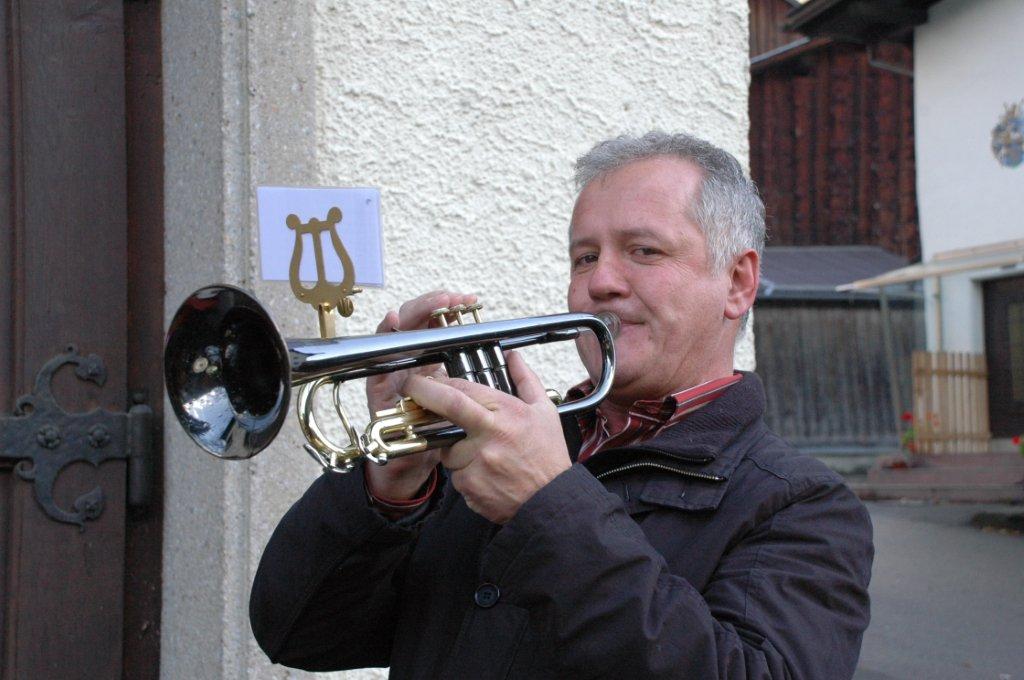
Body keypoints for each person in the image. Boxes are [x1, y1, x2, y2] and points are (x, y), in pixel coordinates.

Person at [249, 132, 873, 679]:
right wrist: (389, 488)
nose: (600, 281)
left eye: (645, 251)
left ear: (737, 283)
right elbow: (297, 634)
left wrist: (547, 505)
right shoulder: (487, 448)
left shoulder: (801, 505)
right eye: (585, 257)